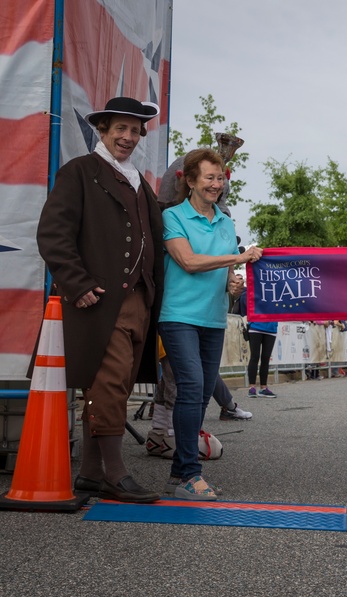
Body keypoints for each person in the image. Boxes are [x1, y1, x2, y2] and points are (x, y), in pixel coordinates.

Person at [35, 97, 163, 503]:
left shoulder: (138, 180)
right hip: (101, 299)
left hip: (139, 300)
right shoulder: (79, 172)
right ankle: (116, 474)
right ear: (102, 131)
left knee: (116, 384)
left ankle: (91, 472)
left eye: (134, 130)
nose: (127, 137)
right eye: (119, 129)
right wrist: (77, 282)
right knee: (108, 382)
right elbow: (53, 234)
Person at [159, 148, 262, 500]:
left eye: (220, 178)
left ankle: (178, 472)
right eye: (209, 178)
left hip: (213, 317)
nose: (216, 185)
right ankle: (190, 474)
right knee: (191, 387)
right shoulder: (173, 217)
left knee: (201, 394)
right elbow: (187, 261)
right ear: (190, 181)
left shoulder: (225, 221)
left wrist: (233, 283)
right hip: (178, 316)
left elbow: (222, 272)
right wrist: (239, 256)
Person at [236, 288, 278, 398]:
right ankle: (252, 387)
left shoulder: (277, 290)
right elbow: (244, 306)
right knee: (254, 356)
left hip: (271, 327)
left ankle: (264, 387)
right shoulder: (252, 290)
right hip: (256, 326)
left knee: (266, 357)